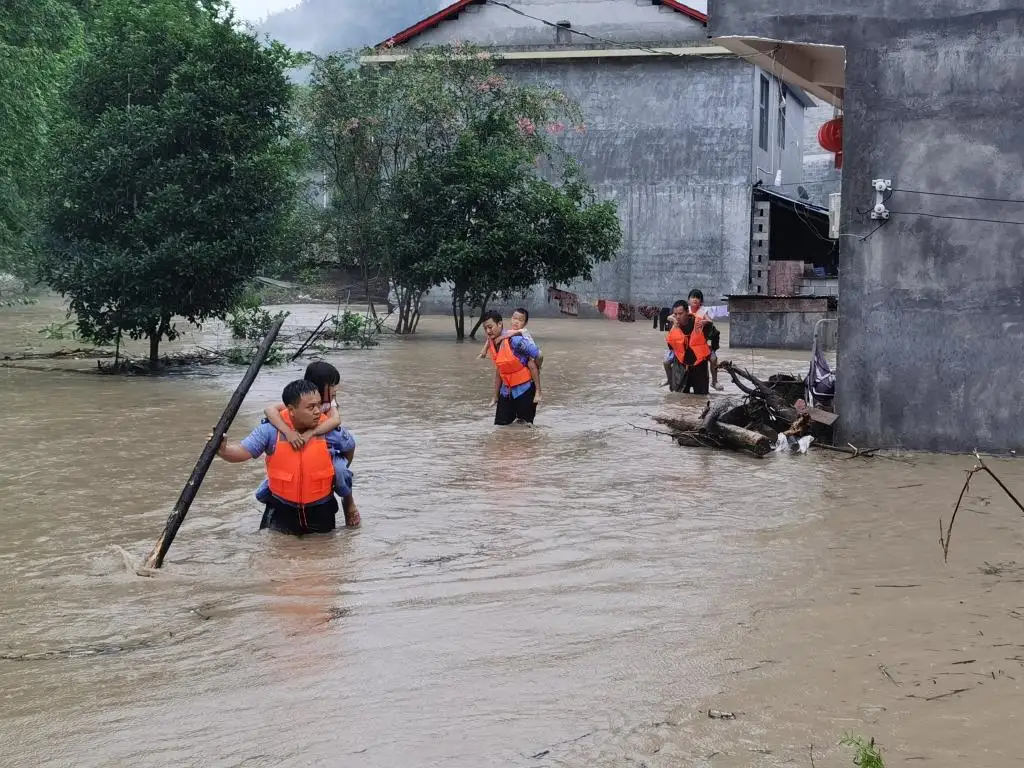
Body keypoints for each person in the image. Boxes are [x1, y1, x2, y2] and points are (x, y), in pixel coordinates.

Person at [215, 379, 351, 536]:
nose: (317, 411)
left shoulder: (329, 429)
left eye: (319, 405)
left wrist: (340, 470)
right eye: (310, 407)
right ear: (291, 409)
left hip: (321, 508)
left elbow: (349, 447)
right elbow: (241, 452)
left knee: (324, 556)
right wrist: (222, 450)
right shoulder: (269, 431)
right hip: (281, 508)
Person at [258, 361, 360, 527]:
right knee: (281, 476)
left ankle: (348, 502)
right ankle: (269, 495)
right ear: (321, 385)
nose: (335, 390)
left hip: (326, 450)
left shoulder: (330, 402)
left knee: (341, 470)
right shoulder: (302, 398)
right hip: (299, 451)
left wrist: (311, 433)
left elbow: (335, 420)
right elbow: (270, 410)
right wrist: (288, 432)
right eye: (332, 385)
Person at [481, 309, 542, 425]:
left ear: (499, 324)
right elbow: (499, 372)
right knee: (500, 428)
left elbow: (538, 354)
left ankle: (538, 392)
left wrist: (537, 366)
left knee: (525, 430)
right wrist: (496, 395)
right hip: (506, 393)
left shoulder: (516, 340)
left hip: (525, 391)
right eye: (485, 328)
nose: (488, 331)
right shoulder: (492, 342)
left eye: (490, 327)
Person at [663, 299, 719, 395]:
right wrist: (672, 323)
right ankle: (669, 381)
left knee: (701, 398)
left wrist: (713, 349)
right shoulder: (673, 323)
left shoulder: (701, 323)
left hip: (699, 366)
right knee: (678, 398)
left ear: (688, 312)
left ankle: (715, 382)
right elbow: (670, 345)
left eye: (680, 314)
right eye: (675, 314)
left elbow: (716, 334)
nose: (678, 317)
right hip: (680, 366)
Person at [478, 307, 543, 369]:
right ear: (511, 318)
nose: (516, 321)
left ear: (525, 323)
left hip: (531, 358)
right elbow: (490, 337)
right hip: (514, 365)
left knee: (532, 366)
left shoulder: (523, 332)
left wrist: (501, 337)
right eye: (514, 318)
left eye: (520, 320)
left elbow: (539, 355)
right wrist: (484, 350)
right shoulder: (507, 331)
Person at [687, 289, 724, 390]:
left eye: (698, 298)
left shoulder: (702, 311)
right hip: (686, 344)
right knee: (669, 359)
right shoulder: (685, 310)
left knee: (713, 359)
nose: (695, 300)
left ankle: (714, 381)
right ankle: (670, 379)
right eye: (693, 297)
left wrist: (704, 322)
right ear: (689, 300)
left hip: (700, 345)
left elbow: (710, 321)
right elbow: (672, 317)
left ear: (701, 302)